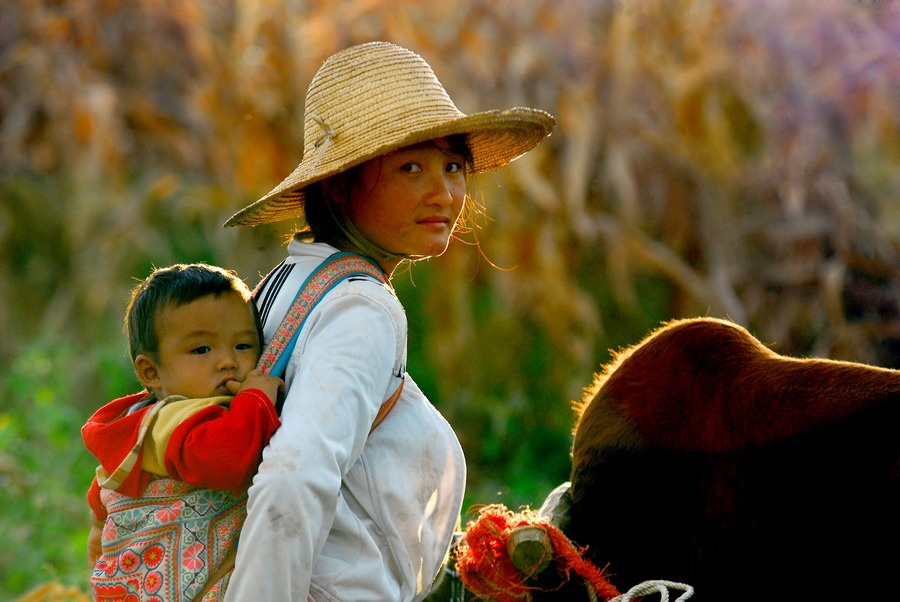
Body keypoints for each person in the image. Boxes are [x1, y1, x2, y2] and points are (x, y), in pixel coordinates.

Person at [222, 41, 555, 601]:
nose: (444, 191)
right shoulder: (360, 307)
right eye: (410, 167)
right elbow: (291, 481)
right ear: (339, 185)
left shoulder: (281, 284)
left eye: (452, 165)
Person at [82, 263, 284, 600]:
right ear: (151, 372)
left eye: (244, 346)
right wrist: (256, 399)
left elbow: (101, 500)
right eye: (201, 350)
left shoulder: (138, 423)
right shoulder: (173, 418)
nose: (227, 362)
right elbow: (223, 462)